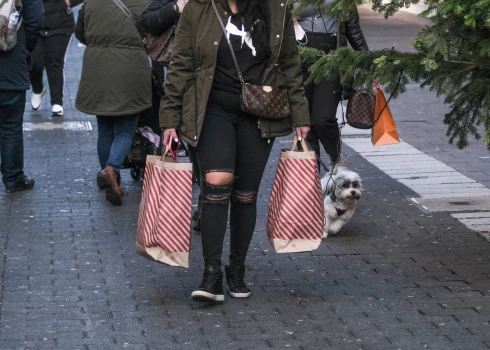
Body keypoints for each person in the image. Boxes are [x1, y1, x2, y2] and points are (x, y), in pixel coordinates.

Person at [161, 0, 310, 302]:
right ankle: (211, 274)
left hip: (260, 110)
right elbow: (180, 65)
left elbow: (291, 63)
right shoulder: (199, 8)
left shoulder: (274, 8)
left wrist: (301, 115)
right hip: (211, 109)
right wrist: (169, 118)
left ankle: (237, 270)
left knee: (245, 194)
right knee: (216, 180)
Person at [75, 0, 152, 205]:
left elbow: (80, 32)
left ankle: (111, 178)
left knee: (105, 129)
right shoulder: (144, 2)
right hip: (131, 69)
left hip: (98, 69)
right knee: (125, 130)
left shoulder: (91, 2)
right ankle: (111, 169)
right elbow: (154, 31)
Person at [296, 1, 368, 165]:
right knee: (303, 121)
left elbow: (353, 29)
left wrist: (367, 62)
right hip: (298, 61)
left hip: (332, 62)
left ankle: (336, 158)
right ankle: (309, 178)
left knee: (323, 118)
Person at [0, 0, 44, 193]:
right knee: (11, 127)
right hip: (11, 63)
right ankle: (13, 178)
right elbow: (35, 18)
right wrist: (23, 46)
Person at [29, 0, 84, 116]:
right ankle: (37, 89)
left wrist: (69, 2)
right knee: (34, 62)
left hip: (61, 24)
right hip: (34, 22)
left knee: (55, 62)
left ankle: (57, 102)